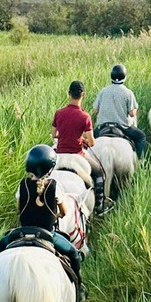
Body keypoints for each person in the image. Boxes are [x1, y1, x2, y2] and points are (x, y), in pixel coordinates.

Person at [0, 144, 83, 281]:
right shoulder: (55, 185)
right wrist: (56, 215)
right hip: (48, 233)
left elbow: (20, 209)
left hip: (22, 231)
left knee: (0, 246)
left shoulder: (22, 185)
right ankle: (79, 284)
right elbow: (64, 212)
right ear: (50, 168)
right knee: (73, 253)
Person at [53, 80, 109, 214]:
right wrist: (82, 139)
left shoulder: (59, 113)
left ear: (68, 94)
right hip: (77, 155)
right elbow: (91, 142)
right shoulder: (85, 116)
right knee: (99, 173)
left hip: (59, 155)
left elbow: (54, 134)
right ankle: (99, 206)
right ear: (83, 95)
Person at [93, 63, 148, 157]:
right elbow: (131, 114)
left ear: (111, 76)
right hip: (122, 127)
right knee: (141, 137)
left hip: (102, 126)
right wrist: (136, 108)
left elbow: (95, 111)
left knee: (87, 142)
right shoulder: (128, 93)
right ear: (124, 77)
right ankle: (141, 163)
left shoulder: (103, 91)